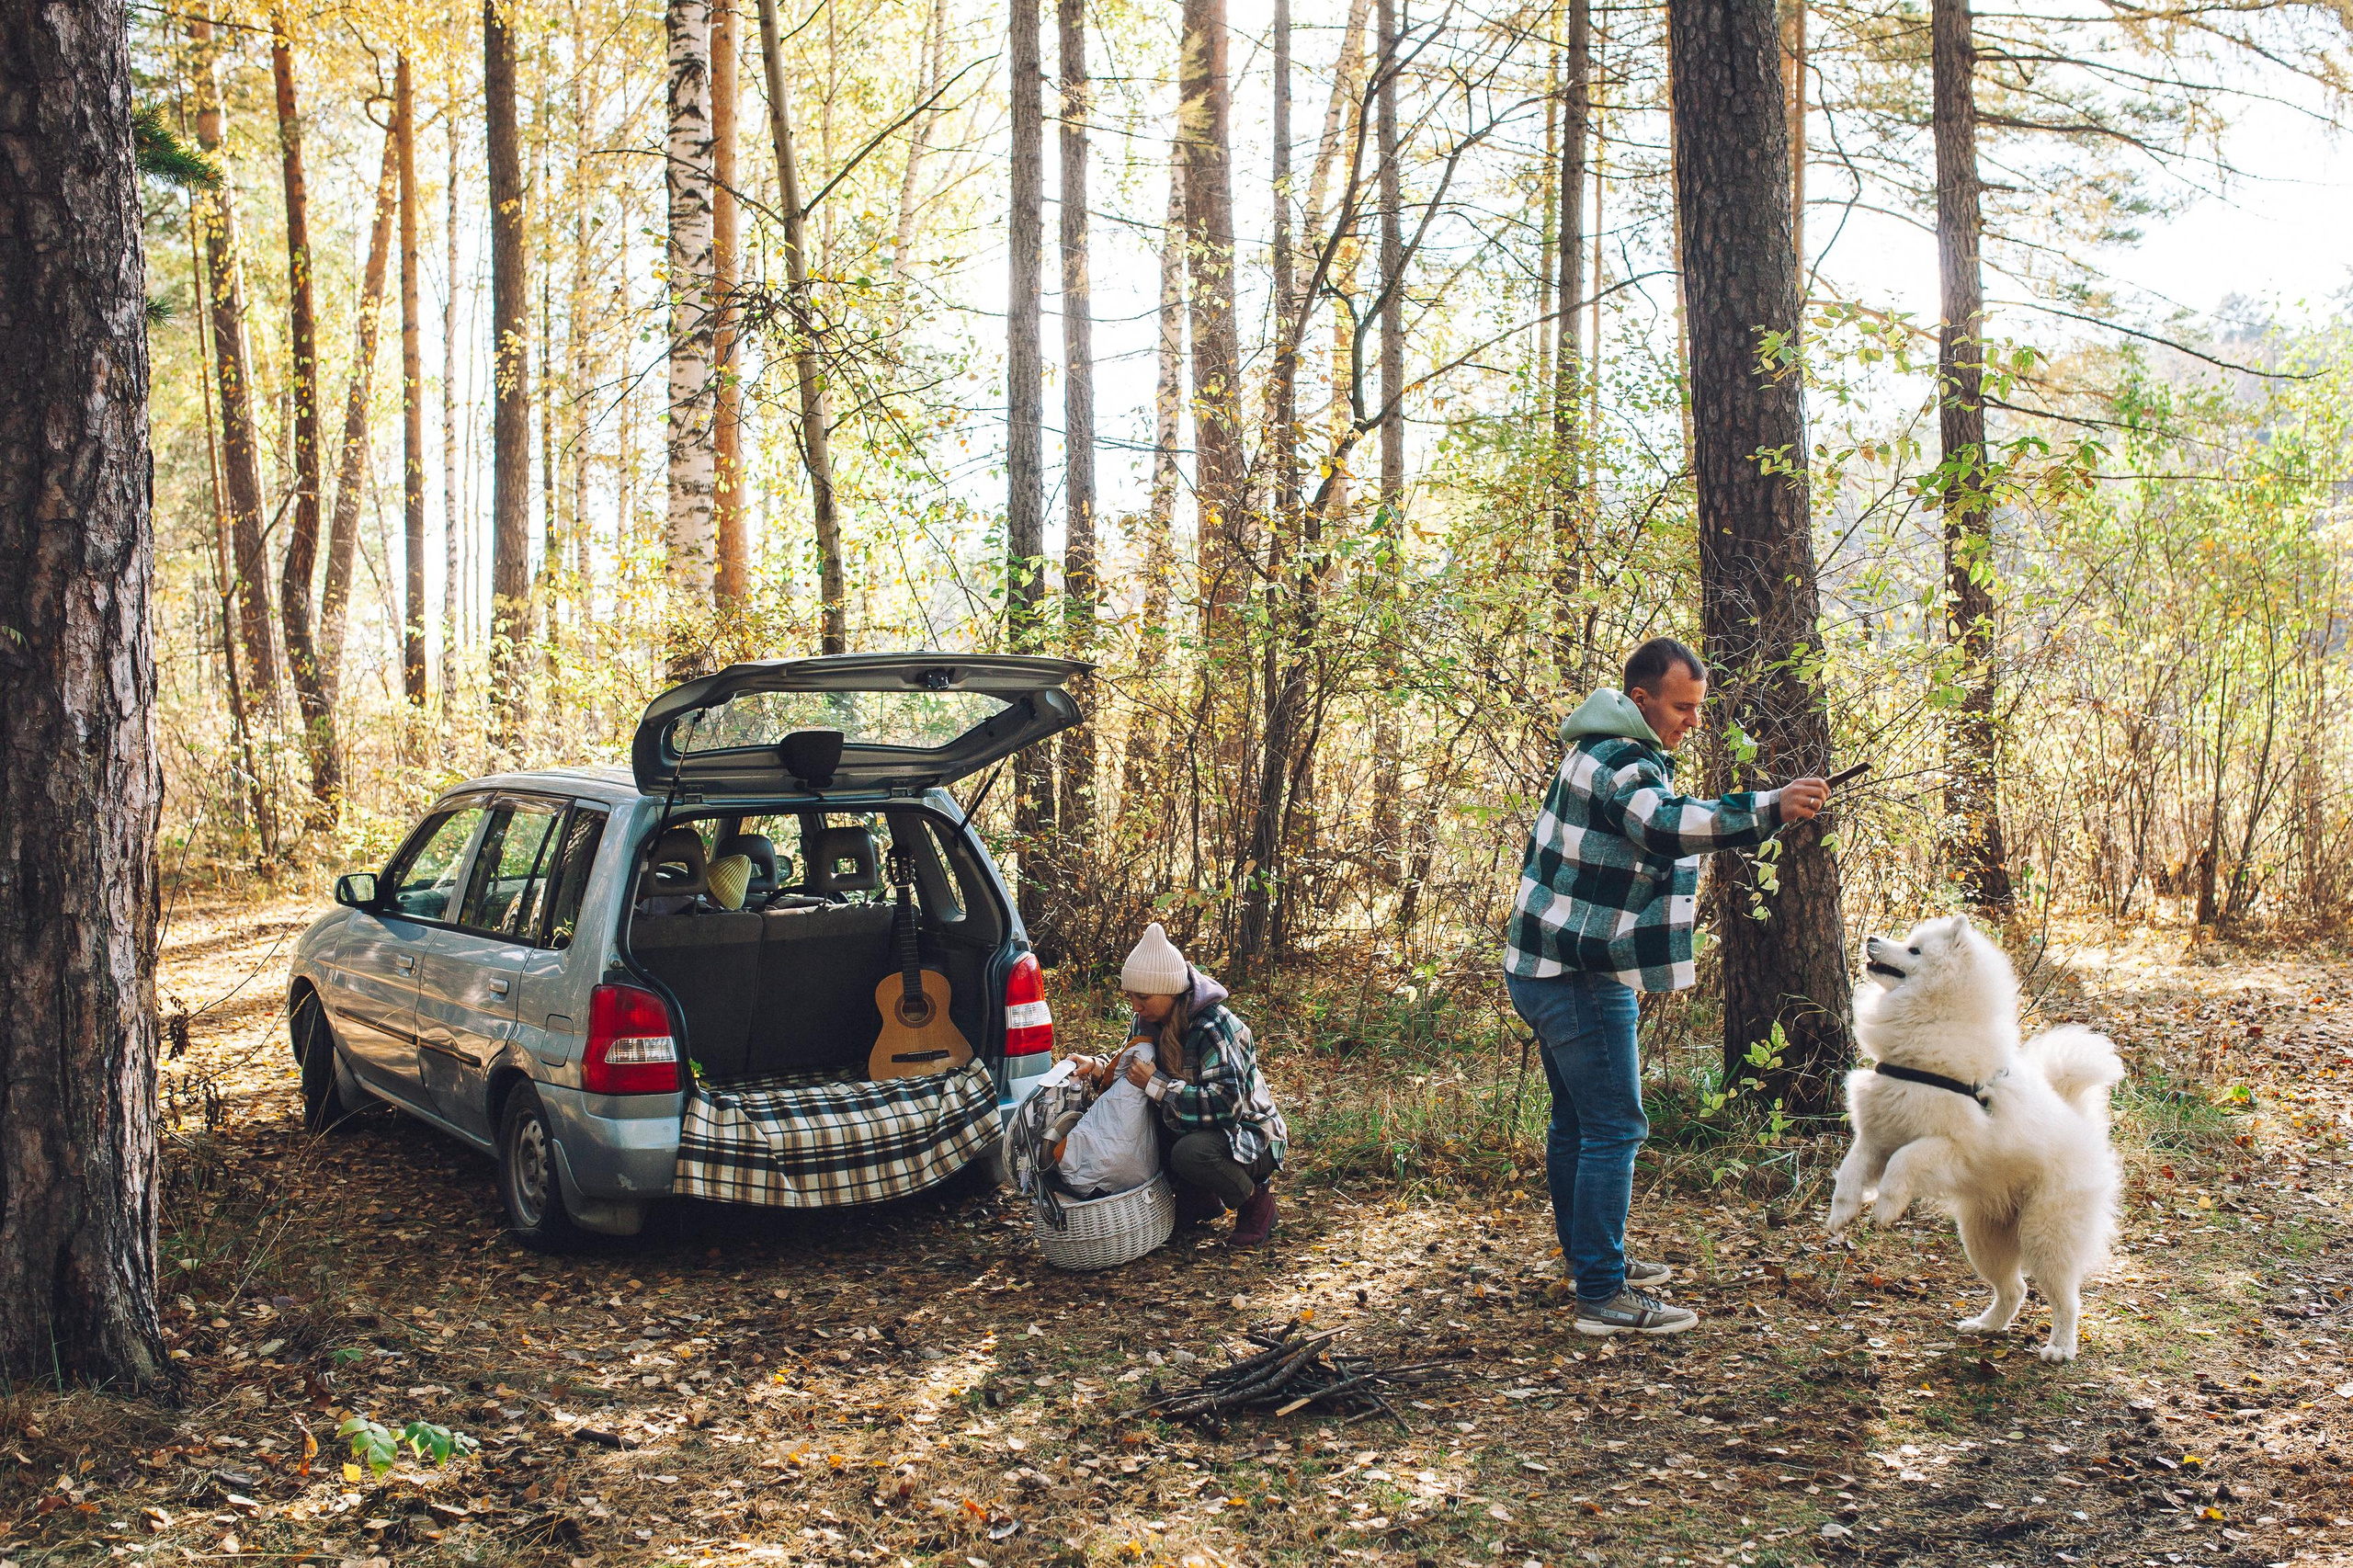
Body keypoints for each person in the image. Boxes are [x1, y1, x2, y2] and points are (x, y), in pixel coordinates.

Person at [1506, 637, 1828, 1335]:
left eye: (1698, 708)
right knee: (1615, 1126)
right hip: (1577, 976)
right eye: (1682, 707)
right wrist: (1770, 807)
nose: (1693, 721)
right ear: (1642, 698)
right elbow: (1665, 825)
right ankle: (1602, 1295)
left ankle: (1592, 1264)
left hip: (1540, 965)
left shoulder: (1598, 748)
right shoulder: (1622, 760)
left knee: (1578, 1124)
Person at [1104, 923, 1289, 1248]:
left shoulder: (1212, 1026)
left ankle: (1255, 1204)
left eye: (1143, 997)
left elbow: (1226, 1107)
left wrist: (1156, 1084)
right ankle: (1197, 1199)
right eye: (1130, 996)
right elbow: (1129, 1063)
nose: (1135, 1006)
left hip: (1250, 1135)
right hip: (1202, 1128)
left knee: (1190, 1153)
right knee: (1144, 1127)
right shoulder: (1147, 1020)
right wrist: (1096, 1068)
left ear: (1170, 991)